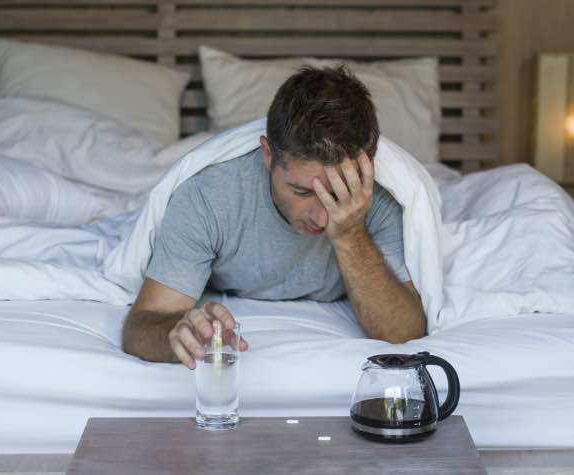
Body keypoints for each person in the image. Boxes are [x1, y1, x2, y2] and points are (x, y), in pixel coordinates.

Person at [122, 65, 426, 369]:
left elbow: (403, 332)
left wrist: (350, 233)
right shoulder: (209, 195)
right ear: (267, 154)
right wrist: (175, 334)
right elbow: (141, 326)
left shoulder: (379, 197)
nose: (322, 218)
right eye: (302, 191)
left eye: (337, 194)